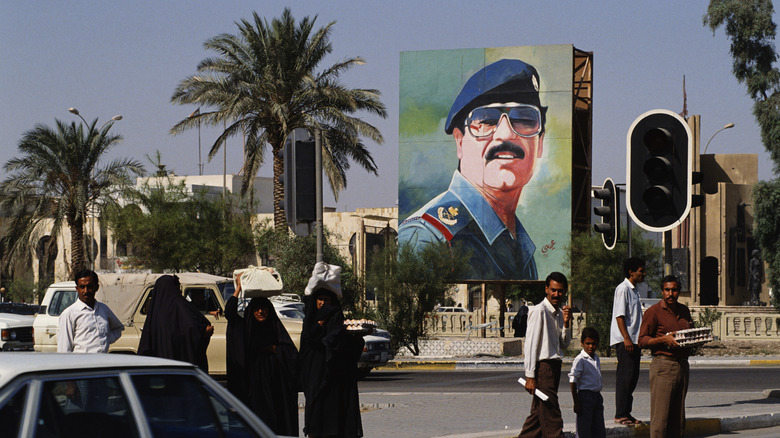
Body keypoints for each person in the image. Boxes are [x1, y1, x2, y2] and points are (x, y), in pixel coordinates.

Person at [398, 58, 547, 281]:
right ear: (460, 142)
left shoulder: (518, 241)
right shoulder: (428, 238)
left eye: (524, 119)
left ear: (540, 143)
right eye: (486, 120)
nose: (505, 134)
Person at [300, 262, 364, 438]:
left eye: (326, 300)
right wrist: (319, 325)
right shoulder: (310, 322)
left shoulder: (337, 322)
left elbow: (345, 350)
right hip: (316, 381)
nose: (322, 304)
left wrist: (358, 339)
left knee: (335, 423)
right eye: (319, 300)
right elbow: (309, 342)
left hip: (335, 383)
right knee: (316, 423)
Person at [638, 275, 692, 438]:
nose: (670, 293)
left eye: (674, 290)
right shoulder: (653, 312)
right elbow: (642, 340)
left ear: (678, 292)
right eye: (667, 290)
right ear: (662, 291)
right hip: (663, 366)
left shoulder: (684, 311)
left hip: (682, 366)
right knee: (660, 419)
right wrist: (664, 339)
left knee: (678, 418)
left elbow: (689, 333)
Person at [519, 272, 571, 438]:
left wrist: (567, 323)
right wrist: (530, 376)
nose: (557, 294)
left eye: (560, 291)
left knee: (537, 418)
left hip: (554, 368)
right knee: (552, 416)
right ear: (546, 289)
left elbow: (564, 344)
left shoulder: (557, 313)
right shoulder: (539, 311)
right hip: (544, 369)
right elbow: (531, 345)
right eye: (553, 290)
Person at [138, 275, 214, 372]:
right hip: (179, 367)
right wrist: (203, 331)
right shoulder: (179, 305)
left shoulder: (155, 311)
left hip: (159, 370)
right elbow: (192, 327)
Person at [609, 257, 646, 426]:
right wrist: (626, 338)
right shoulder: (622, 289)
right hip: (626, 341)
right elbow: (619, 316)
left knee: (632, 377)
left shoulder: (634, 291)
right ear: (631, 272)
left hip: (635, 340)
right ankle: (620, 414)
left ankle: (627, 412)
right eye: (640, 271)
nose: (643, 274)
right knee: (625, 377)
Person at [58, 269, 123, 353]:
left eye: (89, 286)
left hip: (102, 362)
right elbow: (64, 349)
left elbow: (118, 328)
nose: (86, 291)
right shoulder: (69, 314)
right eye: (82, 287)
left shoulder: (103, 309)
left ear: (96, 287)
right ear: (77, 289)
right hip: (81, 364)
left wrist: (105, 339)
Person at [569, 327, 606, 438]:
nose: (590, 346)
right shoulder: (580, 359)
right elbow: (573, 380)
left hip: (597, 396)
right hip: (585, 397)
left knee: (599, 428)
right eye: (587, 343)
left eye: (593, 344)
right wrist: (576, 402)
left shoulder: (596, 358)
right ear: (582, 343)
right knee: (584, 429)